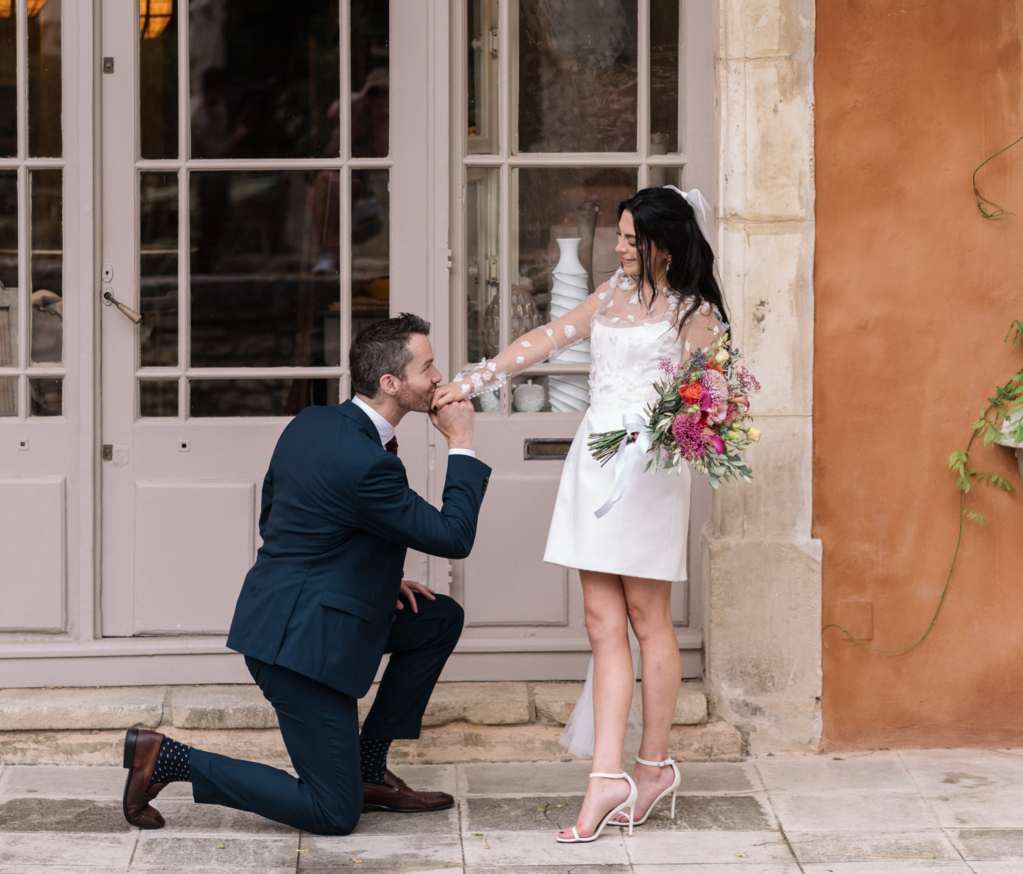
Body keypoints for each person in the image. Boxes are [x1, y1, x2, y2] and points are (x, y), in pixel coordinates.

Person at [433, 185, 727, 843]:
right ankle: (605, 777)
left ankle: (650, 767)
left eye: (630, 239)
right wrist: (475, 381)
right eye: (618, 236)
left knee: (648, 619)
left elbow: (710, 405)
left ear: (664, 244)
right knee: (600, 621)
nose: (618, 248)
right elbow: (544, 338)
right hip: (593, 464)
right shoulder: (611, 296)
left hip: (649, 473)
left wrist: (672, 426)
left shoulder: (694, 314)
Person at [121, 313, 490, 835]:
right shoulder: (369, 464)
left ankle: (368, 767)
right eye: (427, 367)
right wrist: (462, 443)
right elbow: (454, 537)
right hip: (299, 650)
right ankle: (168, 760)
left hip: (303, 613)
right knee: (333, 813)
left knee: (436, 618)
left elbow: (279, 518)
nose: (438, 377)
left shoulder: (313, 422)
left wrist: (379, 583)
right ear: (391, 383)